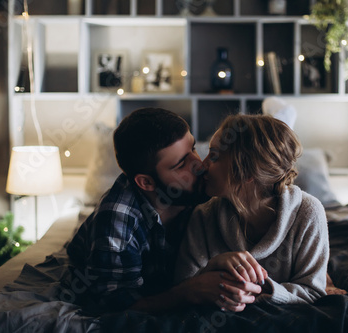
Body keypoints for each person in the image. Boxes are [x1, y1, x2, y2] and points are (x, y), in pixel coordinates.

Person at [66, 107, 263, 313]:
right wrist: (191, 291)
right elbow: (114, 306)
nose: (200, 165)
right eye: (180, 164)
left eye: (193, 149)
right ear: (146, 182)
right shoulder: (118, 219)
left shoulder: (203, 192)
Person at [174, 114, 331, 308]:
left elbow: (313, 293)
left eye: (213, 156)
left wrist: (260, 290)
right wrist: (214, 267)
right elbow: (182, 288)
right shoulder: (203, 215)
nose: (202, 165)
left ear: (247, 171)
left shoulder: (308, 213)